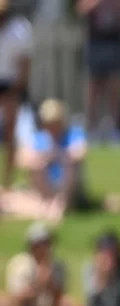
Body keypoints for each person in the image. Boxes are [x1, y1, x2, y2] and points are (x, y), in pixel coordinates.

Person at [0, 222, 89, 306]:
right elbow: (15, 299)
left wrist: (51, 285)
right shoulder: (19, 264)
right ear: (32, 245)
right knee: (3, 303)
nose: (46, 248)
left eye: (47, 243)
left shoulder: (58, 266)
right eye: (41, 244)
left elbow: (61, 297)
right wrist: (37, 285)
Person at [76, 0, 120, 145]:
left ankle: (115, 129)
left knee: (115, 87)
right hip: (95, 43)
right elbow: (81, 9)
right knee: (93, 88)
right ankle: (92, 129)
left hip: (114, 41)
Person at [0, 0, 32, 190]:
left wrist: (16, 89)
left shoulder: (19, 30)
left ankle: (7, 181)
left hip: (10, 84)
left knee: (10, 135)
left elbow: (24, 63)